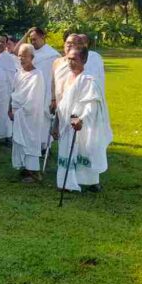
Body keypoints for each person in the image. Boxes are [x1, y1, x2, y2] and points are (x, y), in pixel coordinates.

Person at [55, 47, 111, 192]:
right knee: (67, 152)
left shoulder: (89, 80)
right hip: (66, 123)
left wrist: (81, 119)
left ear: (84, 60)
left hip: (81, 124)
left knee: (85, 151)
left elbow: (91, 104)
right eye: (69, 59)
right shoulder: (67, 78)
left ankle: (91, 182)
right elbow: (62, 102)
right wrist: (56, 123)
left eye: (74, 59)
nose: (70, 62)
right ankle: (66, 183)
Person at [15, 27, 60, 150]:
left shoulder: (53, 55)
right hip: (30, 92)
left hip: (46, 92)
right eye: (31, 39)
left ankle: (45, 147)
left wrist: (53, 97)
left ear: (43, 37)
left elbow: (56, 77)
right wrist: (26, 33)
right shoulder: (29, 52)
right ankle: (31, 145)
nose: (33, 42)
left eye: (35, 39)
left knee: (45, 121)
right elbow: (15, 51)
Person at [9, 44, 45, 182]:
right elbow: (13, 92)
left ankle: (34, 172)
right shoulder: (19, 73)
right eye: (19, 55)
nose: (21, 58)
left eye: (25, 55)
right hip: (18, 113)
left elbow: (34, 99)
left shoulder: (37, 75)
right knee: (20, 140)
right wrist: (10, 109)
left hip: (30, 116)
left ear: (32, 57)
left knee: (31, 141)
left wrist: (20, 111)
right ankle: (25, 168)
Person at [0, 35, 17, 141]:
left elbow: (12, 76)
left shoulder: (9, 58)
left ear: (6, 44)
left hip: (4, 93)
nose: (0, 43)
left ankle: (6, 136)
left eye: (3, 42)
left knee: (2, 114)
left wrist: (11, 93)